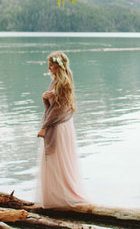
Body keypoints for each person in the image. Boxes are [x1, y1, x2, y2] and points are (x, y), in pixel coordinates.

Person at [36, 51, 87, 208]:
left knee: (58, 161)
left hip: (58, 126)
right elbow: (51, 106)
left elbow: (58, 110)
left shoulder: (63, 84)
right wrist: (45, 99)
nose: (49, 68)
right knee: (54, 163)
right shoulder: (55, 82)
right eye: (49, 65)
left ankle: (61, 199)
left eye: (51, 65)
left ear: (58, 67)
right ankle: (54, 198)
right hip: (59, 124)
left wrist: (44, 127)